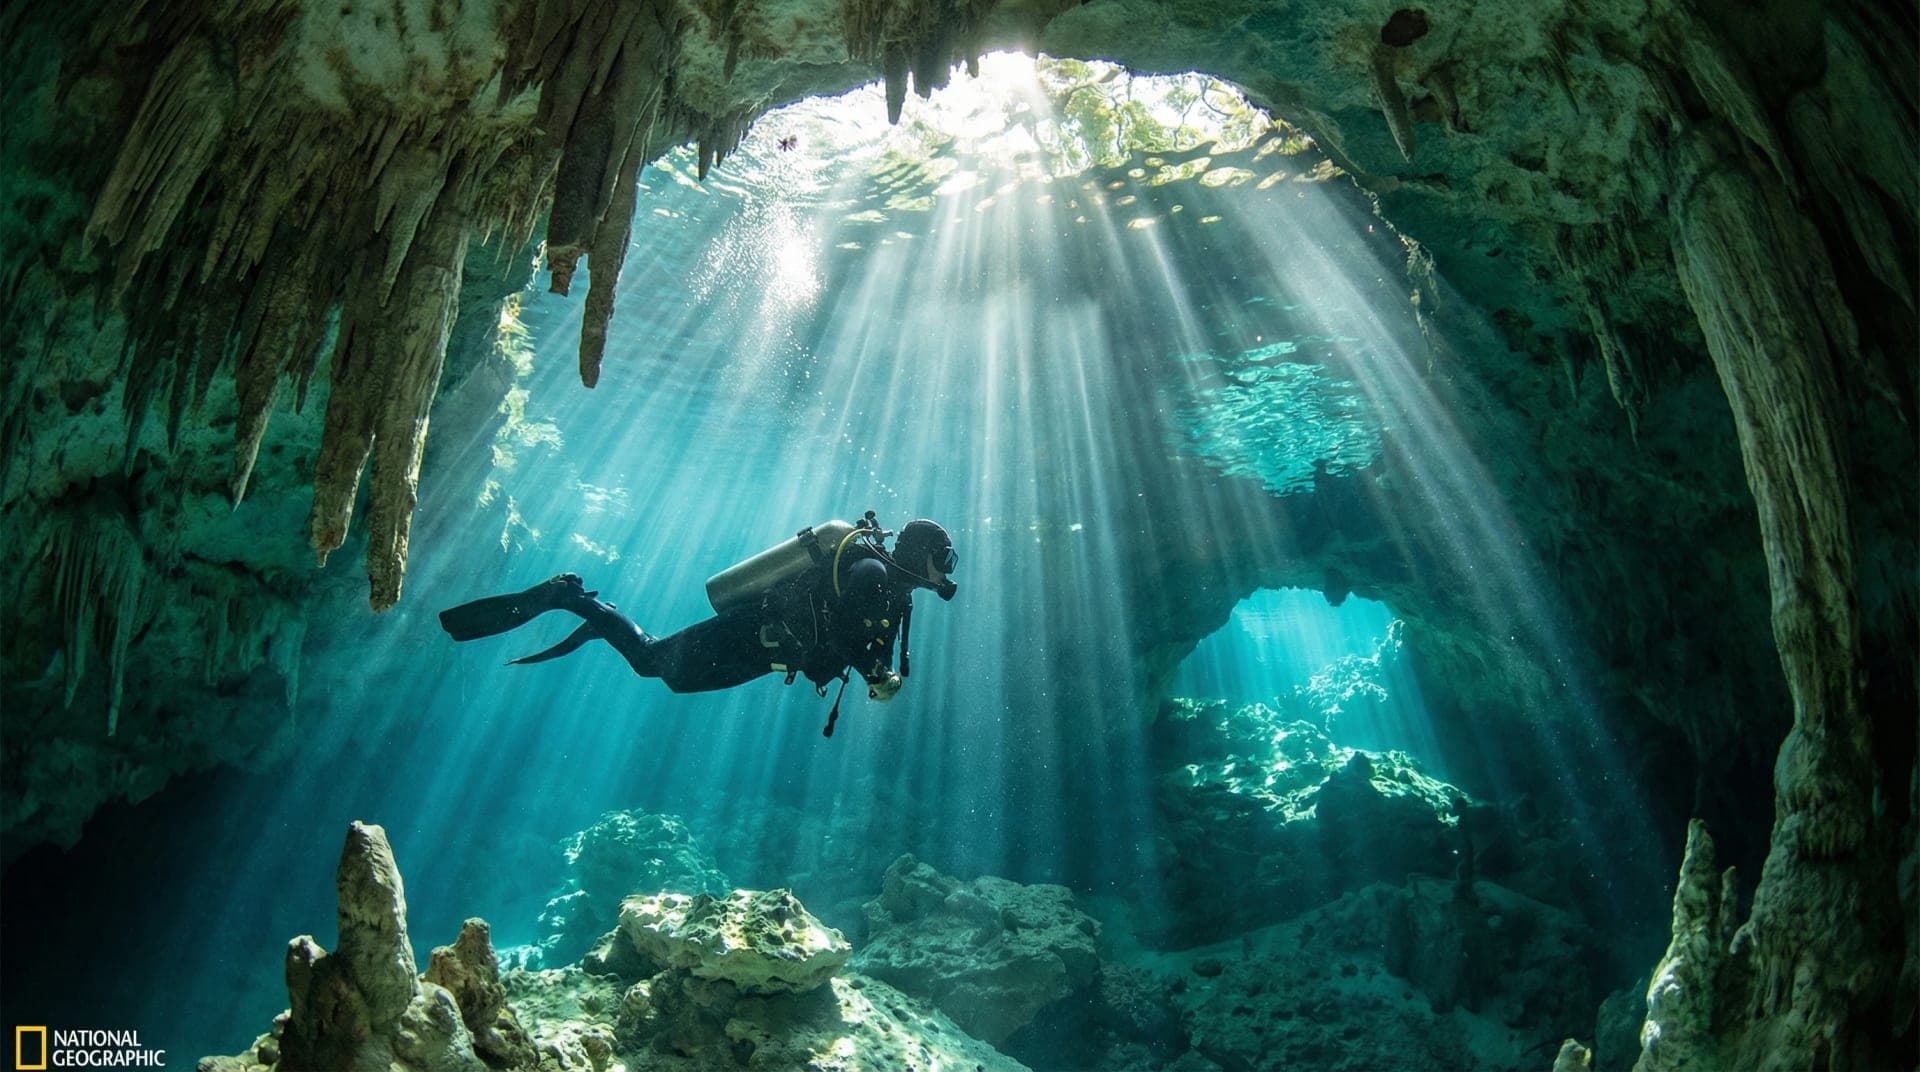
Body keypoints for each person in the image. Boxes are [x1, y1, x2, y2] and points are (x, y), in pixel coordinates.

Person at [437, 516, 957, 735]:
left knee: (667, 675)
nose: (946, 570)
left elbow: (865, 643)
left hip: (769, 653)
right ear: (920, 552)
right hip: (753, 631)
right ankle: (570, 598)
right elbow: (849, 638)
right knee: (652, 665)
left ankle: (601, 622)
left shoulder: (898, 598)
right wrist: (873, 673)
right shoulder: (871, 573)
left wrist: (878, 673)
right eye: (945, 558)